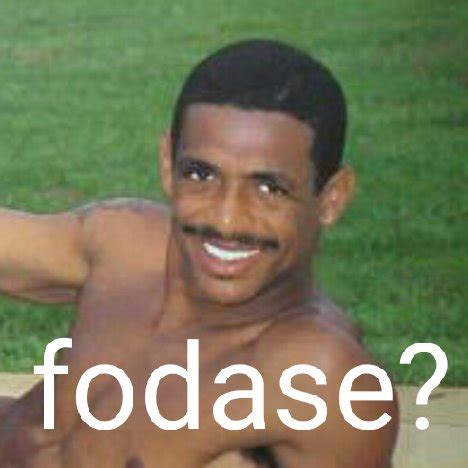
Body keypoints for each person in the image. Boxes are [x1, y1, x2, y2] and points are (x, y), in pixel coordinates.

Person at [0, 39, 398, 467]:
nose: (226, 220)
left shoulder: (324, 383)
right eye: (201, 174)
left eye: (269, 188)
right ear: (167, 164)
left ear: (331, 199)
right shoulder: (127, 245)